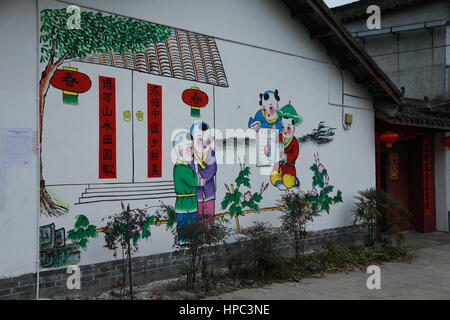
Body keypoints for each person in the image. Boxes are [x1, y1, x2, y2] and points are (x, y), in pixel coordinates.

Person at [172, 131, 206, 245]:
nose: (192, 151)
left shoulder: (183, 167)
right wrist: (200, 179)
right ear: (179, 149)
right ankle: (185, 242)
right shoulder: (182, 168)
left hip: (189, 203)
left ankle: (190, 241)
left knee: (191, 225)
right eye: (189, 148)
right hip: (185, 204)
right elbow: (196, 181)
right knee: (186, 224)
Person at [190, 121, 217, 226]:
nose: (205, 142)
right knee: (198, 215)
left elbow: (212, 169)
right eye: (200, 139)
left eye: (207, 139)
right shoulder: (191, 153)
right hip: (196, 193)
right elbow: (190, 169)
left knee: (209, 214)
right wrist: (197, 178)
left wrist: (202, 176)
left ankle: (210, 233)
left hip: (209, 191)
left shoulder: (210, 153)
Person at [270, 102, 302, 190]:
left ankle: (294, 181)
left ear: (294, 127)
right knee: (273, 175)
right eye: (283, 127)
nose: (284, 131)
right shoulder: (279, 137)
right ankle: (280, 183)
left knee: (287, 180)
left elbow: (294, 155)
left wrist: (286, 157)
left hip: (289, 167)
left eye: (288, 128)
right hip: (279, 166)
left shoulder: (294, 142)